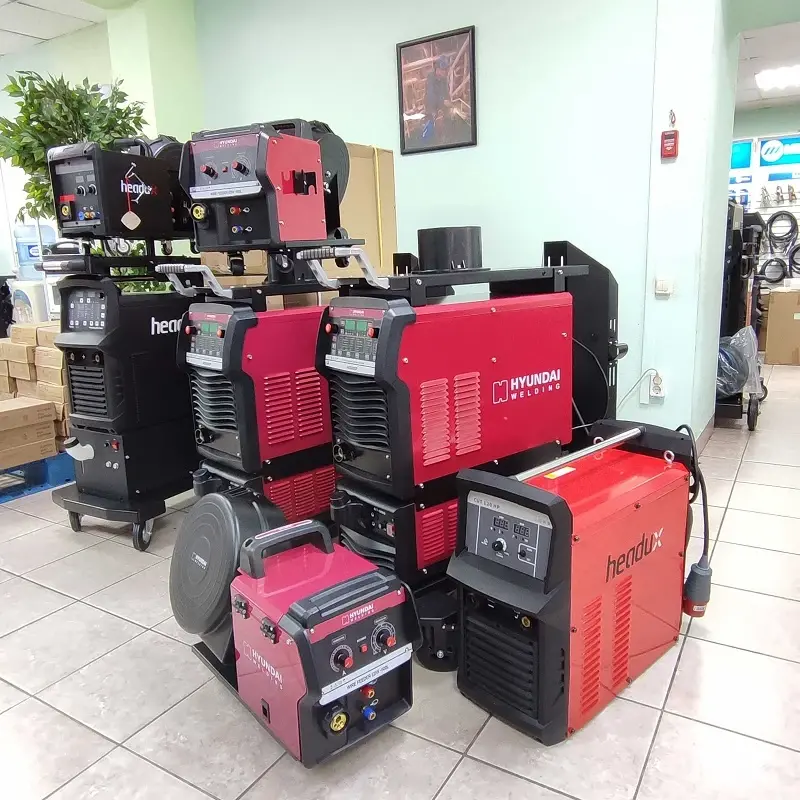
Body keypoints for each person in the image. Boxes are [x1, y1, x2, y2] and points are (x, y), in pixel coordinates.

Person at [424, 57, 451, 144]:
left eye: (446, 69)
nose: (446, 72)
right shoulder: (430, 79)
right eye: (444, 70)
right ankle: (435, 140)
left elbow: (446, 93)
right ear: (438, 69)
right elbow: (431, 96)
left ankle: (445, 138)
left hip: (441, 107)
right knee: (433, 125)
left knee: (449, 119)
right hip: (431, 107)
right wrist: (443, 101)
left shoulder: (444, 79)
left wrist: (448, 101)